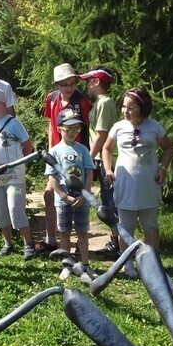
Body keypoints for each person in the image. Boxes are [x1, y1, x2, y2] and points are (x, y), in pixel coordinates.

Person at [102, 88, 173, 277]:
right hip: (124, 183)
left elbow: (168, 148)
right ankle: (128, 264)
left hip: (148, 182)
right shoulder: (118, 127)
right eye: (123, 106)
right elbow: (106, 149)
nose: (125, 111)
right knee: (126, 226)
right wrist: (108, 169)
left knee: (150, 225)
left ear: (142, 107)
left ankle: (152, 265)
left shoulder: (155, 126)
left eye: (131, 107)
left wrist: (163, 169)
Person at [37, 63, 92, 254]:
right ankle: (52, 239)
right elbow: (51, 124)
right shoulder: (51, 99)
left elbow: (86, 128)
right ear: (57, 85)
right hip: (57, 154)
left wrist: (87, 155)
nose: (69, 88)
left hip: (76, 157)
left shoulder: (81, 101)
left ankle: (79, 241)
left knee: (77, 196)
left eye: (71, 83)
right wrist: (50, 149)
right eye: (64, 84)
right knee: (51, 194)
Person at [0, 87, 35, 260]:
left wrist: (21, 164)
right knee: (0, 211)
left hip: (14, 177)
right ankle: (8, 243)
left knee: (15, 207)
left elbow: (28, 145)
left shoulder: (14, 123)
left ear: (0, 104)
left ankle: (28, 243)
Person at [45, 111, 96, 275]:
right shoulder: (54, 151)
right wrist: (63, 195)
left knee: (82, 232)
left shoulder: (83, 149)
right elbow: (52, 176)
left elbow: (89, 173)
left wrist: (85, 194)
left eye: (76, 128)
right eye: (68, 129)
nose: (73, 132)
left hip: (82, 199)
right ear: (59, 129)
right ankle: (67, 264)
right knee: (64, 232)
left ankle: (86, 264)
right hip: (63, 200)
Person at [79, 66, 121, 258]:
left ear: (96, 82)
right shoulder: (99, 103)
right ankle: (116, 242)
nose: (86, 84)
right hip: (102, 160)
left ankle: (119, 245)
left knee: (112, 203)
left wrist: (87, 157)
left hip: (108, 161)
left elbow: (102, 134)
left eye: (88, 80)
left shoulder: (105, 103)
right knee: (108, 200)